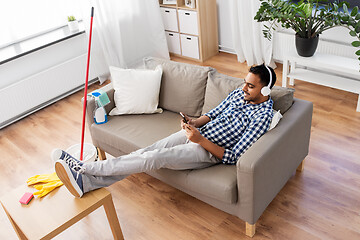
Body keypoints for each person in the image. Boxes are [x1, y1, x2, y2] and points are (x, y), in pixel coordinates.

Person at [54, 64, 276, 198]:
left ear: (265, 89)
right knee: (147, 150)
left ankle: (86, 168)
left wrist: (199, 140)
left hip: (207, 151)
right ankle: (87, 182)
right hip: (196, 134)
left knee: (153, 158)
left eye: (250, 86)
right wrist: (195, 122)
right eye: (245, 82)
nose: (244, 88)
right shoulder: (239, 94)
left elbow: (234, 156)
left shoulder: (262, 116)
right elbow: (215, 113)